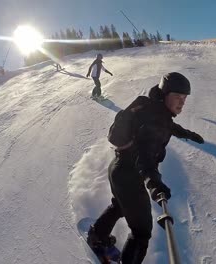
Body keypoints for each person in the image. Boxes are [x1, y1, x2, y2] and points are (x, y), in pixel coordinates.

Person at [87, 72, 205, 263]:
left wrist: (189, 134)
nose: (182, 102)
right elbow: (144, 158)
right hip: (131, 176)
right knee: (141, 233)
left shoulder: (153, 109)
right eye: (177, 97)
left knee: (119, 206)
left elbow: (169, 126)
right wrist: (154, 183)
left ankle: (97, 237)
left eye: (184, 98)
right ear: (165, 93)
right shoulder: (156, 121)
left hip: (117, 169)